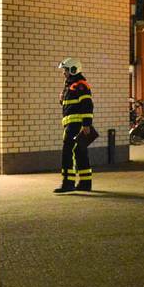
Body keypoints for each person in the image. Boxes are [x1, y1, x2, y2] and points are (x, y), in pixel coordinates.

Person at [55, 58, 93, 193]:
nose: (63, 73)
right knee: (80, 152)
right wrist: (62, 100)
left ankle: (68, 183)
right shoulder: (71, 85)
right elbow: (73, 105)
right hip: (73, 124)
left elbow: (87, 105)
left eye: (65, 70)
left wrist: (87, 124)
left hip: (75, 125)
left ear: (73, 70)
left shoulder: (79, 85)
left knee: (68, 153)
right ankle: (85, 182)